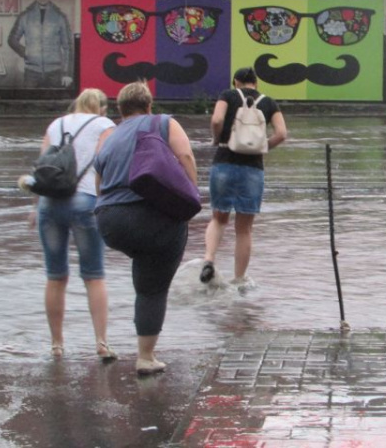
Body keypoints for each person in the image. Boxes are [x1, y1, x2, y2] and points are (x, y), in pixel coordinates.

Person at [94, 81, 197, 376]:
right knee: (152, 288)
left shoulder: (109, 136)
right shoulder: (163, 123)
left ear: (120, 110)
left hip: (110, 222)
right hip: (152, 217)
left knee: (145, 263)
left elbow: (99, 182)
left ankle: (137, 345)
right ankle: (145, 357)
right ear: (149, 105)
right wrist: (191, 193)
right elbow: (186, 156)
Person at [22, 88, 117, 361]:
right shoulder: (104, 125)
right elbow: (105, 164)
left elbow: (42, 170)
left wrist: (34, 208)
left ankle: (56, 345)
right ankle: (101, 342)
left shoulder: (56, 124)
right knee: (94, 275)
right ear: (101, 107)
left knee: (55, 276)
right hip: (86, 203)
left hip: (50, 204)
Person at [200, 67, 287, 289]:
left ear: (235, 82)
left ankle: (209, 259)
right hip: (253, 168)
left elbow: (217, 119)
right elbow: (282, 134)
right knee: (244, 229)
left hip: (224, 162)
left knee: (218, 218)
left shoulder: (227, 96)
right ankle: (239, 280)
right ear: (256, 83)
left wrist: (217, 139)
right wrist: (262, 146)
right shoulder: (269, 103)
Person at [8, 0, 73, 89]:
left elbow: (67, 46)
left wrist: (67, 73)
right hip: (32, 71)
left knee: (54, 104)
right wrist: (25, 52)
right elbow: (12, 39)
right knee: (28, 104)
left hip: (55, 71)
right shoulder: (25, 16)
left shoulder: (60, 17)